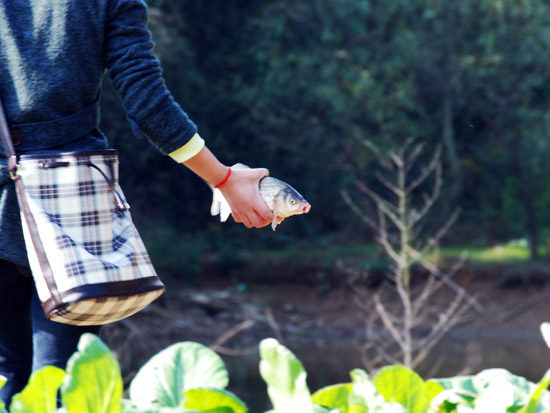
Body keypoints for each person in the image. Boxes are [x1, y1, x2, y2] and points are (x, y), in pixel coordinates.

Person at [0, 0, 273, 407]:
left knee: (7, 373)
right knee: (61, 385)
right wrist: (223, 178)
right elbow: (147, 103)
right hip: (75, 198)